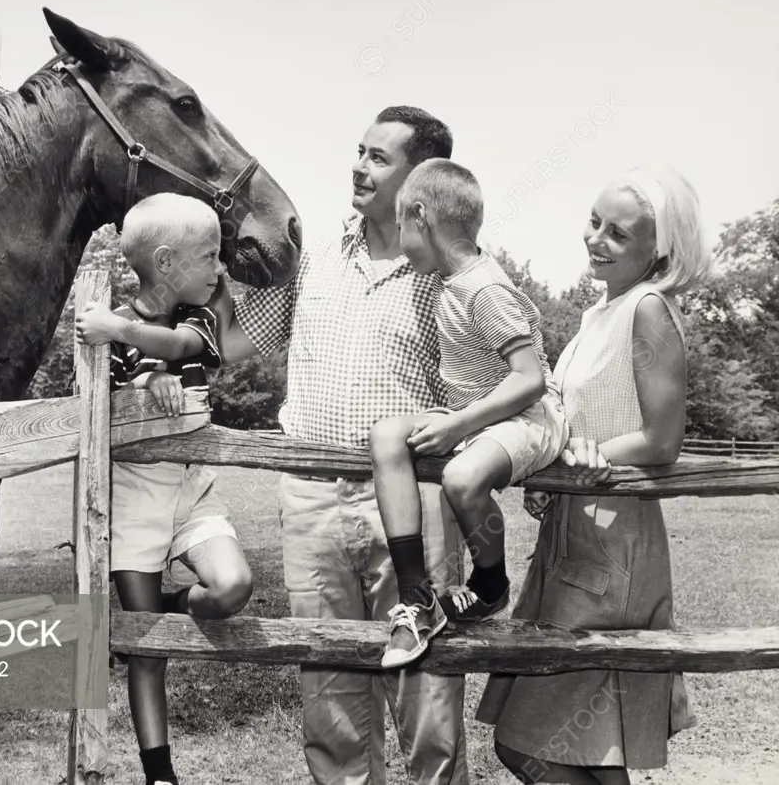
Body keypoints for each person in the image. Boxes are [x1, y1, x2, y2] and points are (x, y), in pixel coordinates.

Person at [213, 107, 470, 785]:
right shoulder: (316, 254)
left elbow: (497, 387)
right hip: (310, 500)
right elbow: (248, 340)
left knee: (427, 701)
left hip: (413, 503)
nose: (359, 166)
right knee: (329, 706)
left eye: (379, 157)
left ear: (421, 177)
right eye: (359, 151)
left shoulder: (450, 273)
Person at [476, 163, 711, 785]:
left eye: (619, 234)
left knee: (551, 744)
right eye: (593, 221)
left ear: (656, 252)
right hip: (574, 531)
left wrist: (585, 457)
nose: (596, 239)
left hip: (615, 542)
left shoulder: (648, 309)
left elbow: (662, 440)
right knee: (573, 749)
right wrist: (554, 472)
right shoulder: (597, 313)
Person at [75, 192, 253, 785]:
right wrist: (144, 380)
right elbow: (113, 393)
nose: (220, 268)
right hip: (133, 498)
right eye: (210, 255)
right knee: (148, 650)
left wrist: (137, 349)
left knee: (231, 586)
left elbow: (182, 350)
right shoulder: (112, 335)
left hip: (190, 490)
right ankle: (160, 774)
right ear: (167, 261)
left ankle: (172, 609)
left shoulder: (193, 318)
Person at [368, 158, 568, 669]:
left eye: (399, 224)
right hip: (478, 414)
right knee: (387, 435)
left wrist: (458, 425)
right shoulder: (449, 278)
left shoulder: (484, 288)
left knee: (461, 478)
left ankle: (490, 583)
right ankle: (417, 596)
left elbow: (530, 379)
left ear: (419, 216)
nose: (397, 238)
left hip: (527, 415)